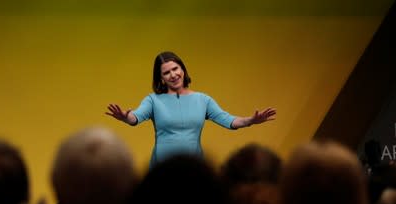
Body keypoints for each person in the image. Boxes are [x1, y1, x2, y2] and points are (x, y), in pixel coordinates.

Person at [106, 51, 276, 167]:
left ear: (183, 70)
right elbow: (135, 117)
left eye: (175, 69)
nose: (173, 75)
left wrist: (251, 120)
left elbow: (229, 120)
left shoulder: (203, 100)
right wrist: (124, 117)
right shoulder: (153, 100)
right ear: (161, 79)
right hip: (163, 170)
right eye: (166, 73)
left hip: (194, 169)